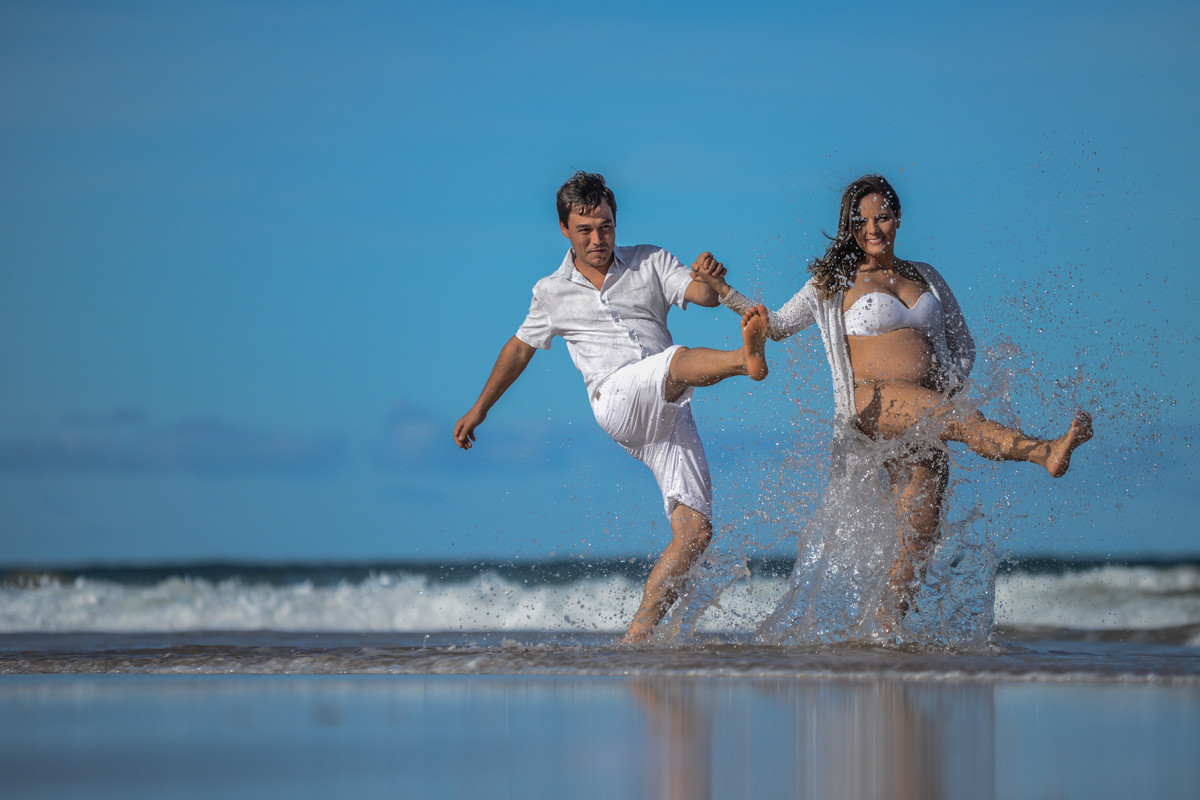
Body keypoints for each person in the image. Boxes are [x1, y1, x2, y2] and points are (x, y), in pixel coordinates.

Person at [691, 174, 1093, 620]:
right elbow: (779, 325)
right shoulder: (833, 281)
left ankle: (883, 633)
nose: (872, 229)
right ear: (849, 227)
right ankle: (1044, 452)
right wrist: (724, 292)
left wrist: (947, 385)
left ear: (898, 218)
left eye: (881, 217)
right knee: (963, 420)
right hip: (872, 402)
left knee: (919, 539)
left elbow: (963, 344)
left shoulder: (926, 275)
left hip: (923, 408)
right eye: (860, 221)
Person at [453, 171, 770, 643]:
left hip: (669, 410)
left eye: (605, 227)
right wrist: (480, 409)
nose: (597, 239)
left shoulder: (650, 261)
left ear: (616, 221)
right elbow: (519, 349)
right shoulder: (550, 291)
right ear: (564, 229)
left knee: (695, 533)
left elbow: (700, 295)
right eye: (585, 230)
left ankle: (635, 640)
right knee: (674, 362)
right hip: (616, 398)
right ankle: (743, 361)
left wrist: (711, 281)